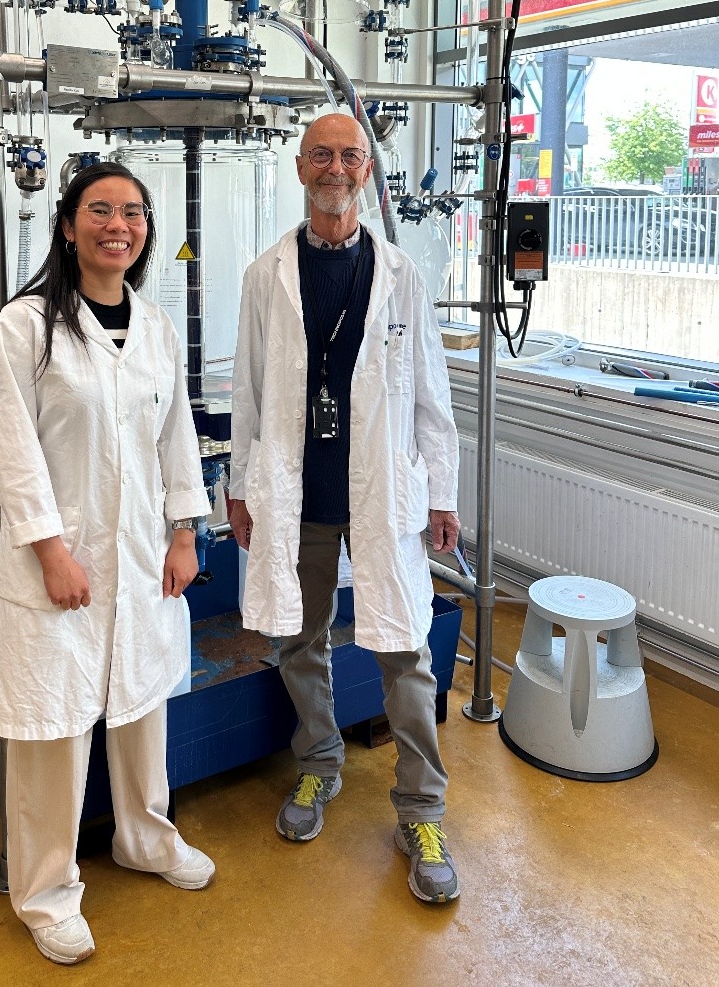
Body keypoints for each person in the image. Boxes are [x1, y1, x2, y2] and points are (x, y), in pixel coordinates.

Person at [0, 161, 215, 966]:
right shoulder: (27, 326)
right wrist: (50, 550)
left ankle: (145, 838)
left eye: (133, 213)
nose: (119, 226)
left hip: (143, 554)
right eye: (101, 210)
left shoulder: (154, 328)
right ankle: (46, 892)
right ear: (69, 225)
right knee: (53, 728)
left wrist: (184, 534)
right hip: (61, 561)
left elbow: (175, 437)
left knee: (143, 704)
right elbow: (10, 447)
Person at [228, 112, 463, 904]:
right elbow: (247, 391)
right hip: (299, 496)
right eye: (322, 156)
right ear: (301, 168)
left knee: (405, 650)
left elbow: (431, 393)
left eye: (350, 156)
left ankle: (422, 811)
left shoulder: (401, 273)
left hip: (383, 495)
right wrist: (239, 487)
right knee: (301, 640)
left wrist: (443, 493)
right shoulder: (265, 276)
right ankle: (319, 764)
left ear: (368, 170)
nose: (336, 168)